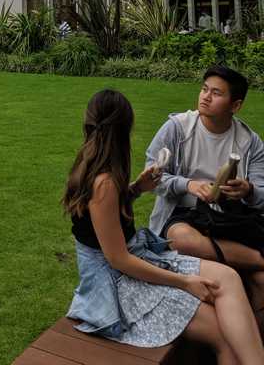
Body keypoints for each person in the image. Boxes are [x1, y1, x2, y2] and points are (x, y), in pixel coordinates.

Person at [64, 89, 264, 363]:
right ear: (125, 127)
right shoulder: (104, 183)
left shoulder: (98, 165)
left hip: (133, 260)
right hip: (117, 284)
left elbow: (103, 217)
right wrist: (185, 282)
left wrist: (136, 189)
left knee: (227, 277)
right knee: (223, 338)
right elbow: (118, 259)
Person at [146, 66, 264, 284]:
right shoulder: (177, 129)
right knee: (181, 239)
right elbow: (151, 179)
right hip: (182, 215)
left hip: (228, 218)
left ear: (235, 105)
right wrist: (187, 185)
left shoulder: (250, 142)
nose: (206, 97)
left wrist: (248, 190)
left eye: (216, 93)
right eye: (204, 89)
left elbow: (261, 196)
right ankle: (256, 259)